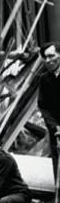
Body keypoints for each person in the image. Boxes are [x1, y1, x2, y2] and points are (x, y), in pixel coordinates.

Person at [37, 42, 60, 191]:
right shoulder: (45, 79)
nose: (48, 60)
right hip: (56, 131)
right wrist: (55, 126)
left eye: (51, 56)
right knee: (58, 169)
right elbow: (43, 106)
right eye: (45, 57)